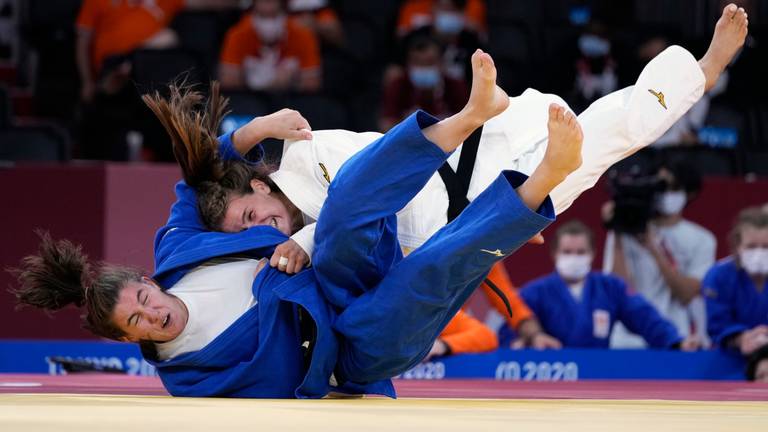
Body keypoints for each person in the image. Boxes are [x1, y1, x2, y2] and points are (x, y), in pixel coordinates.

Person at [12, 47, 582, 398]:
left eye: (141, 297)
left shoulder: (181, 248)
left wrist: (257, 128)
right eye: (137, 322)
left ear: (148, 279)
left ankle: (467, 116)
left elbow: (197, 176)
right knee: (425, 277)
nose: (151, 313)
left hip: (332, 274)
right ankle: (541, 182)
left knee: (350, 197)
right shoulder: (188, 376)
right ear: (130, 340)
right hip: (350, 354)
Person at [184, 3, 747, 274]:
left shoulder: (301, 153)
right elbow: (349, 231)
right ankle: (704, 71)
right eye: (246, 233)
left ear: (256, 184)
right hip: (479, 207)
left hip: (471, 144)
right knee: (605, 138)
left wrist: (256, 127)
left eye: (249, 214)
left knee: (594, 117)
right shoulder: (302, 249)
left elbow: (210, 162)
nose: (260, 227)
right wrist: (300, 246)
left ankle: (693, 76)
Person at [520, 220, 698, 350]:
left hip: (597, 373)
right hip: (551, 374)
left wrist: (676, 341)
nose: (574, 257)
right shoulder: (534, 292)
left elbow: (645, 317)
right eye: (567, 252)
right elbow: (514, 328)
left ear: (592, 254)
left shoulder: (611, 287)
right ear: (554, 254)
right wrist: (528, 339)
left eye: (581, 252)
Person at [604, 160, 716, 348]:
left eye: (672, 188)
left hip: (676, 337)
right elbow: (618, 289)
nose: (665, 194)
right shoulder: (624, 232)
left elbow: (687, 294)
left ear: (689, 193)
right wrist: (617, 231)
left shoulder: (703, 239)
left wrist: (653, 248)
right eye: (660, 187)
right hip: (626, 340)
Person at [704, 207, 768, 356]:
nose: (759, 253)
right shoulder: (718, 275)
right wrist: (741, 338)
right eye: (751, 247)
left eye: (766, 247)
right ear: (738, 246)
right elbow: (717, 323)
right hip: (730, 357)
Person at [219, 0, 321, 92]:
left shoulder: (302, 35)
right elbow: (228, 81)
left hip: (289, 98)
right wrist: (253, 79)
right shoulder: (238, 35)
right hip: (252, 100)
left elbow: (312, 83)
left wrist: (292, 77)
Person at [379, 35, 469, 132]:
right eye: (418, 62)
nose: (423, 68)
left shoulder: (456, 87)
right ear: (408, 64)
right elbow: (386, 125)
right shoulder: (397, 85)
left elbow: (467, 124)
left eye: (429, 62)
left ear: (441, 63)